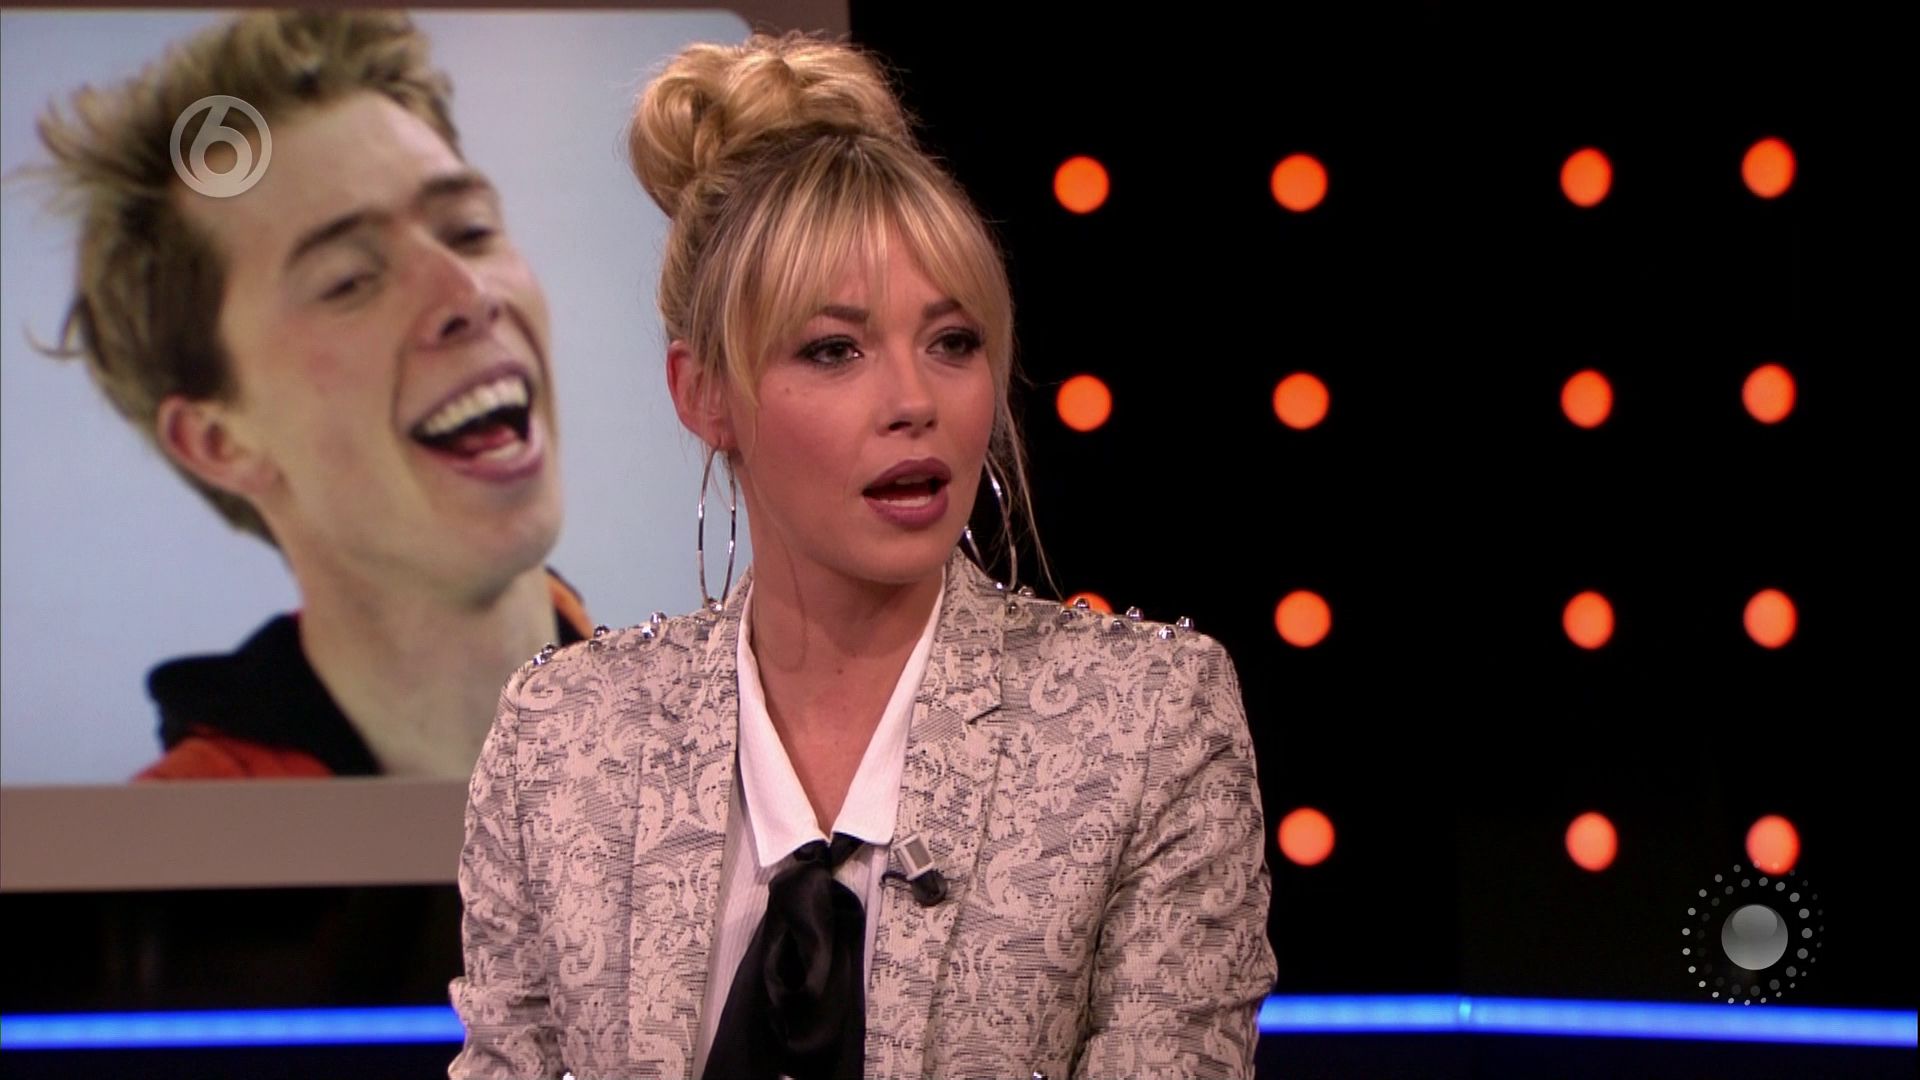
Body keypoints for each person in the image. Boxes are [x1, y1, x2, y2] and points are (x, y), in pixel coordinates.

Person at [450, 31, 1275, 1079]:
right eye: (834, 349)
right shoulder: (562, 743)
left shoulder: (1148, 726)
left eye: (953, 342)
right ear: (703, 393)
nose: (914, 402)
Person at [34, 10, 588, 779]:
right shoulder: (170, 846)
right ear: (220, 442)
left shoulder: (724, 739)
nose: (467, 293)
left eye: (469, 230)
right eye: (349, 281)